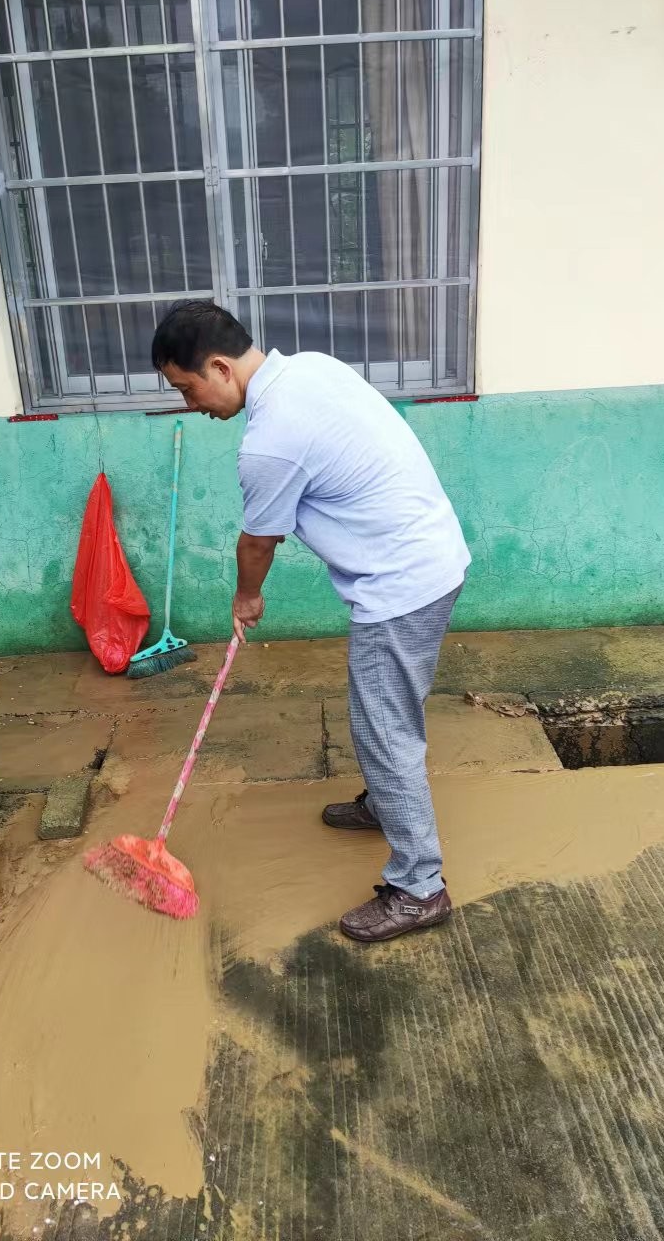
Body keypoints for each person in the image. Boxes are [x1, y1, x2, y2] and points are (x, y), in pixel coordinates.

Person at [151, 300, 471, 943]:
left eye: (188, 389)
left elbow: (257, 543)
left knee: (384, 727)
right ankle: (386, 806)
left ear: (218, 367)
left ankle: (419, 886)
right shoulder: (311, 369)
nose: (192, 406)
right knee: (386, 714)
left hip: (401, 584)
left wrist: (246, 601)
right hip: (428, 557)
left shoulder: (268, 442)